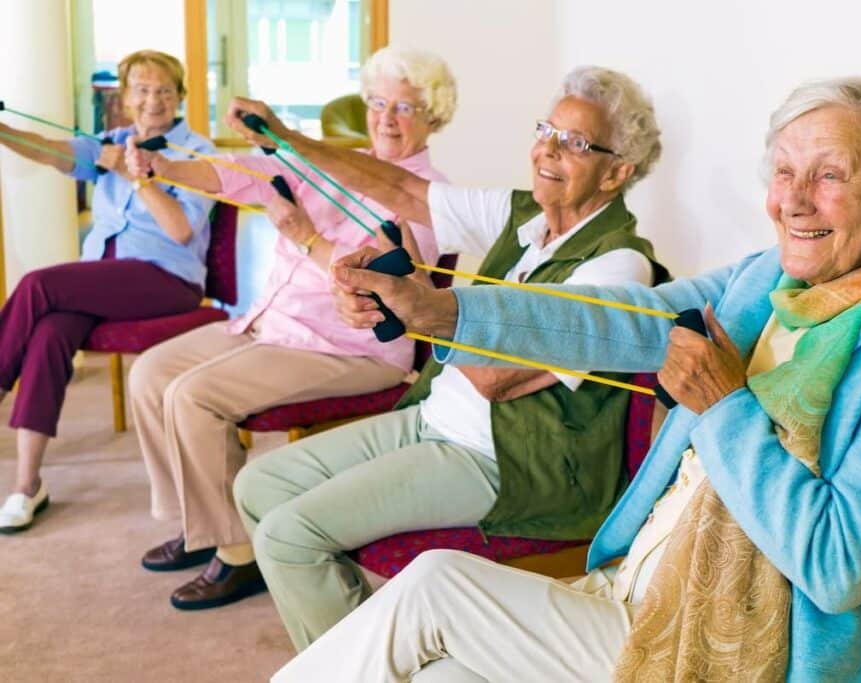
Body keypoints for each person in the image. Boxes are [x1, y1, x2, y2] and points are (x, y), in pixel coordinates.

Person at [282, 75, 861, 681]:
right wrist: (442, 312)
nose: (792, 200)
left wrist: (724, 404)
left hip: (744, 650)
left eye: (830, 175)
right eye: (785, 171)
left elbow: (837, 563)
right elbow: (620, 318)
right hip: (643, 591)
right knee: (433, 670)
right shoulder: (773, 277)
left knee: (434, 589)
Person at [228, 65, 669, 650]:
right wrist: (288, 138)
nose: (548, 149)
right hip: (434, 418)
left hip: (505, 457)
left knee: (289, 537)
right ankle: (370, 647)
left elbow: (496, 379)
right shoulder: (524, 218)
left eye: (576, 143)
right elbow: (402, 190)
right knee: (258, 485)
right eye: (547, 129)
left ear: (617, 172)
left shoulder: (619, 266)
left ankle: (354, 662)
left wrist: (416, 302)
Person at [120, 46, 454, 611]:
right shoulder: (338, 160)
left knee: (193, 396)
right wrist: (165, 168)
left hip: (347, 348)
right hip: (273, 322)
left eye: (405, 107)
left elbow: (382, 286)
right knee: (151, 373)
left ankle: (236, 552)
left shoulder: (428, 195)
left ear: (433, 117)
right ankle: (201, 524)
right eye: (378, 102)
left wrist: (302, 234)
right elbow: (242, 175)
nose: (387, 118)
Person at [0, 50, 215, 534]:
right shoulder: (110, 142)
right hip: (106, 281)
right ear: (125, 98)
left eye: (164, 90)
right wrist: (3, 131)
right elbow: (47, 150)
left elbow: (181, 230)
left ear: (180, 96)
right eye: (141, 89)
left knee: (39, 284)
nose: (153, 100)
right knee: (51, 331)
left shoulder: (198, 152)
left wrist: (136, 177)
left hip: (167, 279)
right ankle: (26, 484)